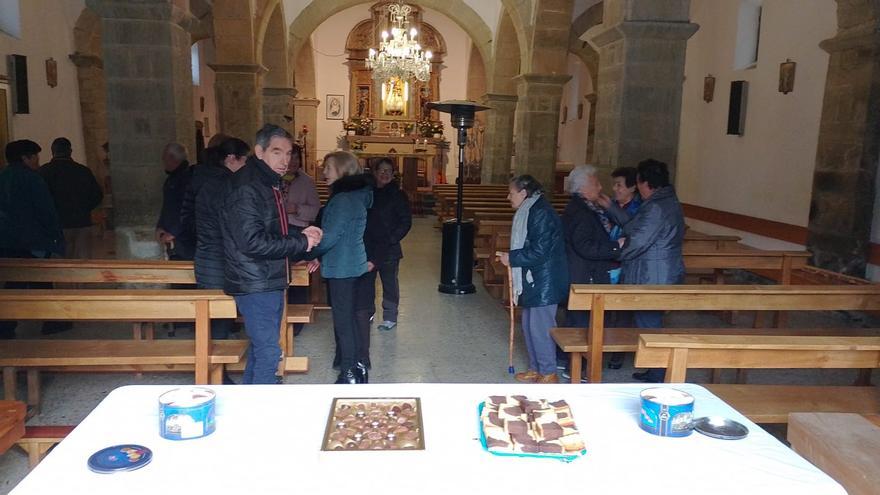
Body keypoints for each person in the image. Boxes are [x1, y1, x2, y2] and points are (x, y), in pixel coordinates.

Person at [220, 124, 322, 385]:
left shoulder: (266, 183)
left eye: (288, 154)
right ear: (259, 151)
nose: (284, 161)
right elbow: (252, 242)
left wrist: (302, 236)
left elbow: (272, 230)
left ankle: (248, 405)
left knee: (261, 347)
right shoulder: (248, 187)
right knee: (269, 352)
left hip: (266, 277)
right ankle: (258, 413)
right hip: (255, 280)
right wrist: (300, 242)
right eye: (277, 153)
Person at [601, 159, 685, 382]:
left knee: (649, 324)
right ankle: (654, 369)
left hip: (652, 275)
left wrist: (611, 254)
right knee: (648, 322)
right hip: (658, 271)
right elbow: (636, 225)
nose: (637, 188)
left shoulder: (656, 206)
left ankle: (657, 373)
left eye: (638, 183)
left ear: (644, 183)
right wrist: (611, 208)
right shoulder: (665, 201)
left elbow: (637, 240)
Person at [308, 151, 373, 384]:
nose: (323, 172)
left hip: (341, 267)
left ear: (342, 170)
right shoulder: (356, 196)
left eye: (328, 167)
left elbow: (331, 236)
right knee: (351, 320)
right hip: (351, 263)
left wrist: (306, 250)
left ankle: (348, 373)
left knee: (343, 322)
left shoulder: (342, 199)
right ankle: (358, 366)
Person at [499, 175, 569, 384]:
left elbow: (540, 251)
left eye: (511, 193)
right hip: (534, 279)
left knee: (541, 327)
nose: (508, 197)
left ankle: (548, 372)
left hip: (544, 280)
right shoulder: (530, 210)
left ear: (523, 193)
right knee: (529, 325)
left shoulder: (540, 213)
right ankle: (535, 368)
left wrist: (512, 257)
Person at [184, 138, 249, 347]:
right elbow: (231, 226)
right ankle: (216, 375)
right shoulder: (224, 185)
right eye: (244, 160)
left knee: (218, 317)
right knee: (219, 318)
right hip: (218, 258)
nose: (246, 166)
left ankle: (216, 372)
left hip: (207, 255)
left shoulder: (207, 179)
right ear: (231, 159)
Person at [561, 165, 621, 379]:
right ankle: (578, 368)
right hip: (585, 274)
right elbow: (585, 246)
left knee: (579, 320)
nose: (601, 187)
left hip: (584, 273)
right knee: (583, 322)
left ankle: (573, 364)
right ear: (585, 187)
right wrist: (615, 246)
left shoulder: (585, 208)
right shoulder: (582, 212)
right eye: (596, 183)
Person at [0, 140, 64, 338]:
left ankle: (6, 325)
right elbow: (46, 211)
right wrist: (56, 239)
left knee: (12, 284)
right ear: (24, 158)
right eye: (34, 156)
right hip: (33, 240)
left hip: (7, 241)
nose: (38, 160)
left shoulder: (3, 178)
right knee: (41, 280)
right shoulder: (32, 179)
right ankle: (52, 321)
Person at [364, 158, 412, 331]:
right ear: (375, 172)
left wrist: (392, 239)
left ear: (393, 174)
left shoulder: (398, 195)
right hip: (368, 246)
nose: (384, 174)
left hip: (390, 247)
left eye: (388, 171)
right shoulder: (367, 192)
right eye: (381, 170)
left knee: (389, 281)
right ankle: (367, 311)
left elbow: (405, 221)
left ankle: (390, 316)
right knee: (367, 280)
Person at [38, 137, 103, 259]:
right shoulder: (83, 171)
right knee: (82, 260)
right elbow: (97, 195)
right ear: (70, 151)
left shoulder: (44, 172)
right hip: (81, 222)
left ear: (52, 151)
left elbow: (39, 199)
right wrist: (84, 208)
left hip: (57, 223)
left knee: (59, 261)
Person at [283, 142, 320, 336]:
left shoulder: (306, 181)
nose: (293, 162)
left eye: (297, 158)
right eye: (291, 157)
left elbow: (315, 209)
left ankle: (296, 322)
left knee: (298, 274)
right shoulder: (275, 178)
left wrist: (297, 209)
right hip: (278, 234)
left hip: (299, 232)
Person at [156, 142, 192, 260]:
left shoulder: (186, 178)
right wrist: (160, 227)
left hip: (183, 240)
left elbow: (187, 208)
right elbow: (167, 206)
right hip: (172, 238)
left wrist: (173, 232)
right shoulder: (172, 179)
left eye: (165, 158)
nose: (163, 161)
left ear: (172, 158)